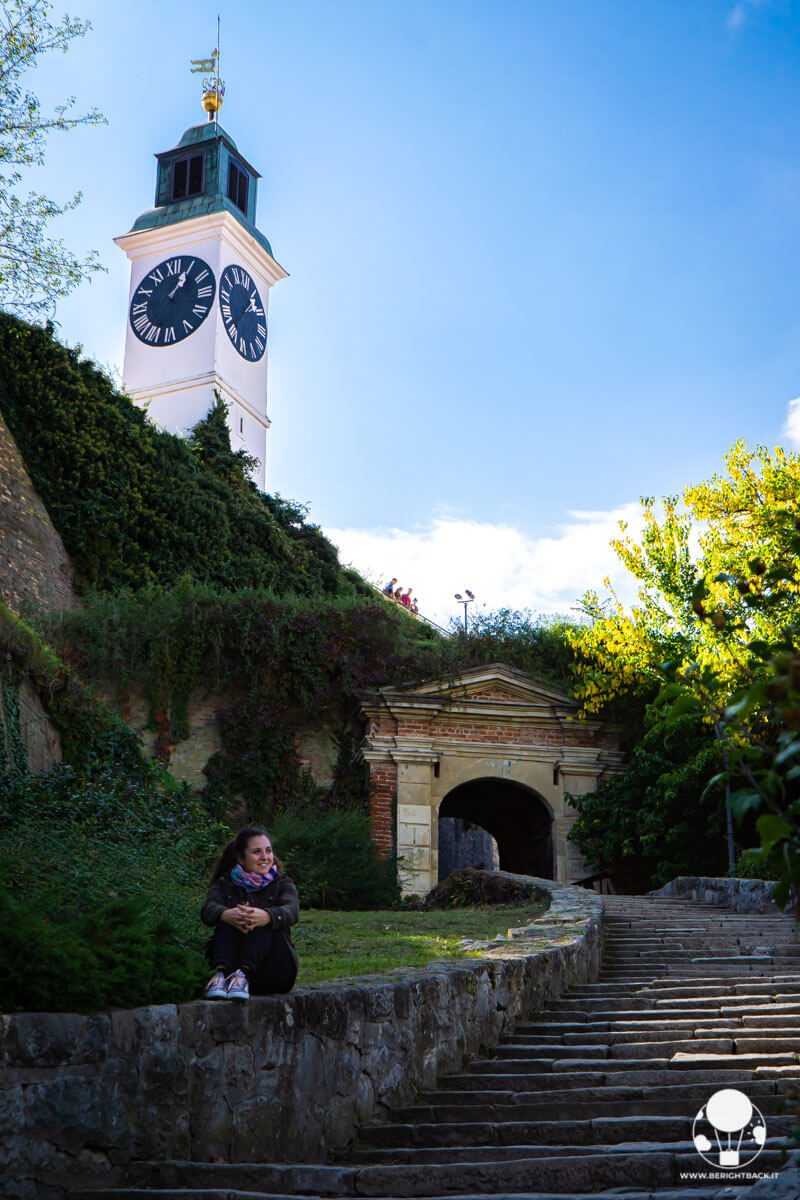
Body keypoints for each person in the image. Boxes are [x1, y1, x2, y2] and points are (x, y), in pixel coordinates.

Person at [201, 826, 299, 1001]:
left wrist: (266, 916)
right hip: (230, 966)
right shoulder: (224, 884)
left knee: (259, 920)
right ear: (241, 858)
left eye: (268, 851)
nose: (265, 857)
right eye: (256, 852)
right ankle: (221, 975)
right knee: (232, 917)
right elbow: (207, 910)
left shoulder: (282, 884)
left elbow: (292, 911)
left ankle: (242, 974)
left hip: (273, 971)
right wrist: (226, 914)